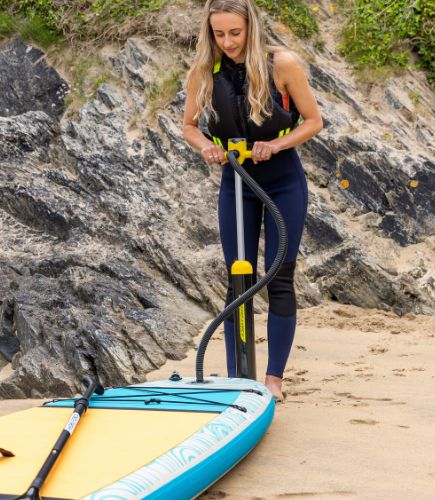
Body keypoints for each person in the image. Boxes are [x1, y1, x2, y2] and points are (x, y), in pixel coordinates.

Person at [181, 0, 323, 401]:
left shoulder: (282, 64)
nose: (227, 42)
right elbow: (189, 127)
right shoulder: (202, 73)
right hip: (236, 181)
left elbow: (313, 122)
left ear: (251, 28)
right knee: (238, 277)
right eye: (219, 33)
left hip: (283, 182)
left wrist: (276, 145)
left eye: (235, 33)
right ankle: (236, 376)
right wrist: (207, 147)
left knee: (279, 277)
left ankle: (273, 379)